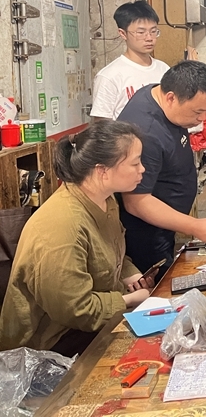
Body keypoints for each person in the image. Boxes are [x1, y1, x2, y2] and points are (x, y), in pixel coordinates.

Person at [0, 121, 152, 354]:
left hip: (90, 325)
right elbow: (77, 310)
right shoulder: (61, 225)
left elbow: (112, 253)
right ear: (102, 171)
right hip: (50, 345)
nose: (142, 169)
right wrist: (130, 300)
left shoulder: (106, 200)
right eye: (135, 163)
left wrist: (131, 275)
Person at [117, 60, 206, 279]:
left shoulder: (155, 94)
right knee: (160, 286)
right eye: (198, 111)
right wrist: (194, 226)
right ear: (170, 98)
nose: (202, 119)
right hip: (147, 233)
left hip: (166, 226)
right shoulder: (146, 133)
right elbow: (136, 201)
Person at [90, 1, 170, 120]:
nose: (149, 38)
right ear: (123, 34)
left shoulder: (164, 69)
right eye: (141, 32)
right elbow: (101, 124)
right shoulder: (109, 76)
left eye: (153, 31)